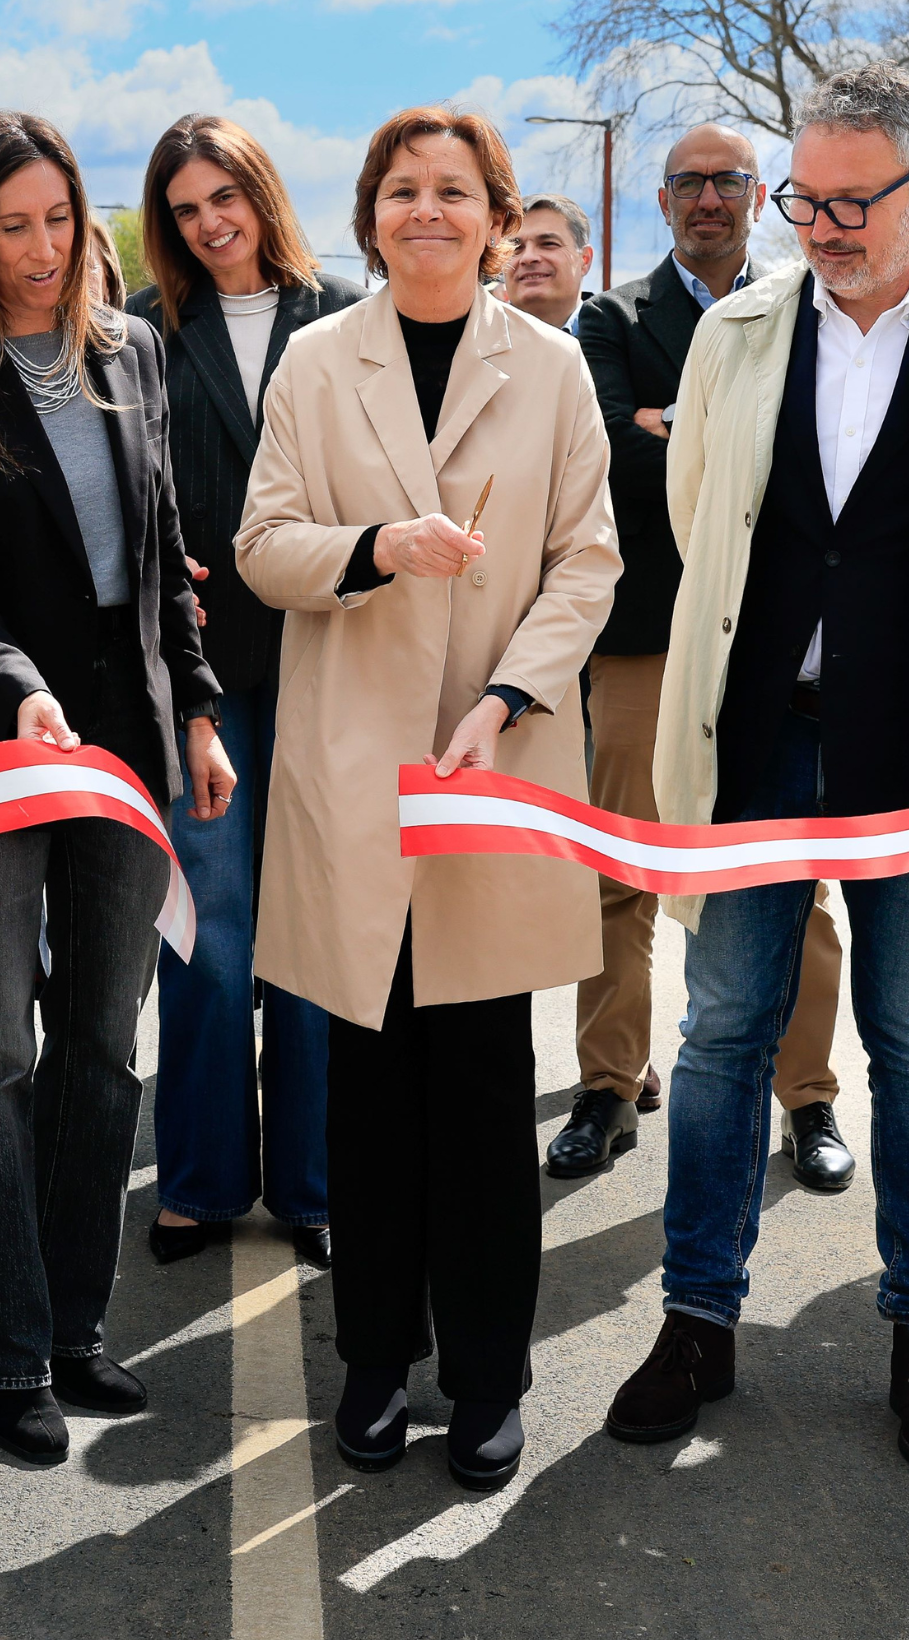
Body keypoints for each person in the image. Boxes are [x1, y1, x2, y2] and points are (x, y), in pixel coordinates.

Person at [236, 105, 621, 1489]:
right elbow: (264, 547)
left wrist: (510, 697)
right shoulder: (316, 363)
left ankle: (490, 1379)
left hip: (491, 770)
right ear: (370, 213)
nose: (427, 211)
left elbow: (589, 561)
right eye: (402, 190)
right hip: (354, 772)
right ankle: (372, 1367)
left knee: (482, 1087)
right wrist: (375, 544)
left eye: (455, 191)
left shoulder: (556, 367)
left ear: (501, 218)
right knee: (368, 1092)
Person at [0, 110, 233, 1466]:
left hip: (127, 743)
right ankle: (8, 1351)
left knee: (97, 1042)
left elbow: (164, 552)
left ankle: (78, 1330)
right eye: (11, 226)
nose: (40, 251)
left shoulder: (130, 348)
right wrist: (22, 692)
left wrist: (193, 707)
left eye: (59, 220)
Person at [606, 62, 909, 1468]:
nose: (825, 224)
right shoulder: (735, 330)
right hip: (760, 742)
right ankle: (697, 1320)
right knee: (723, 1030)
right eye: (809, 198)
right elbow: (699, 515)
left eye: (857, 201)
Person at [549, 123, 854, 1195]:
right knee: (625, 870)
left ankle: (808, 1097)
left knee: (796, 881)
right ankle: (605, 1083)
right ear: (666, 197)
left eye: (729, 181)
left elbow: (801, 467)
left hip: (774, 647)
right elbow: (612, 456)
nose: (710, 198)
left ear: (759, 194)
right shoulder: (610, 317)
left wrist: (672, 421)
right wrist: (690, 435)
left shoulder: (802, 311)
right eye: (690, 183)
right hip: (644, 641)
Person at [128, 116, 364, 1273]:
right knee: (212, 938)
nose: (211, 222)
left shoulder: (345, 313)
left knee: (311, 937)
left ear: (264, 191)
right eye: (185, 207)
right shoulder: (138, 327)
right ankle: (203, 1180)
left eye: (226, 195)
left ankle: (314, 1183)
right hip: (200, 669)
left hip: (329, 657)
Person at [504, 193, 593, 333]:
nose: (528, 257)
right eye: (516, 248)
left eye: (548, 244)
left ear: (584, 260)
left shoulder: (623, 340)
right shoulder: (472, 340)